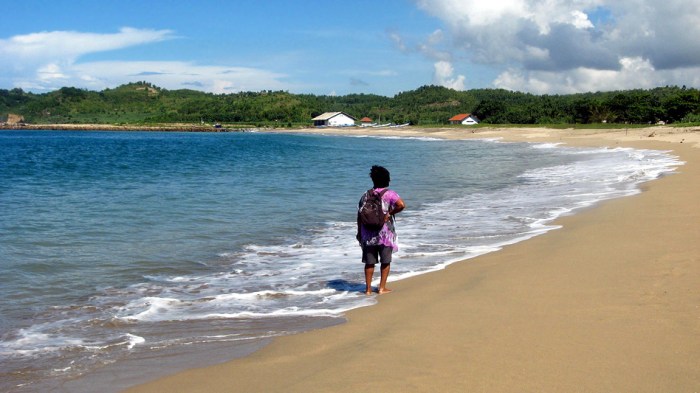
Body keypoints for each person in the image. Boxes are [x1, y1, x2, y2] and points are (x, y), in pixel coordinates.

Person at [356, 165, 405, 295]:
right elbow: (401, 205)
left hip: (368, 234)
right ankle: (382, 288)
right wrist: (390, 213)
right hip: (385, 234)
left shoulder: (365, 195)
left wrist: (359, 232)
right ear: (387, 180)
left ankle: (367, 290)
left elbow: (360, 215)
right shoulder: (390, 194)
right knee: (385, 261)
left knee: (369, 263)